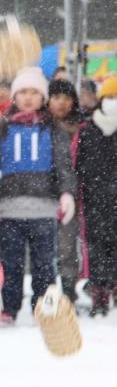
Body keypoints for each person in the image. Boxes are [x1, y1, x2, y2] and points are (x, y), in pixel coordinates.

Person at [0, 67, 77, 326]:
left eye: (34, 92)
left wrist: (67, 193)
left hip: (43, 209)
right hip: (9, 210)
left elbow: (64, 165)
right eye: (22, 92)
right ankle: (9, 308)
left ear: (43, 97)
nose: (28, 97)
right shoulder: (2, 129)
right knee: (11, 264)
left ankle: (44, 308)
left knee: (45, 265)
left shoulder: (53, 130)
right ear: (14, 96)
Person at [75, 76, 117, 316]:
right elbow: (78, 165)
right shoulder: (88, 130)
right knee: (97, 250)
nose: (113, 102)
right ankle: (99, 292)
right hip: (95, 201)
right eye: (109, 97)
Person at [47, 78, 84, 303]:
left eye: (66, 98)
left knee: (68, 244)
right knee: (47, 245)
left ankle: (69, 289)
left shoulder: (81, 128)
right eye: (56, 98)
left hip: (74, 192)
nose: (61, 103)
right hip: (44, 192)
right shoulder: (40, 126)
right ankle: (48, 289)